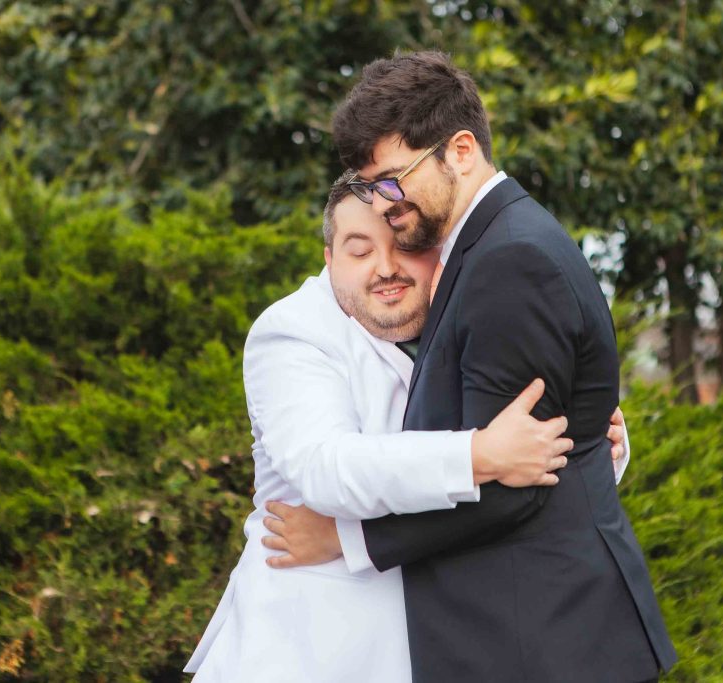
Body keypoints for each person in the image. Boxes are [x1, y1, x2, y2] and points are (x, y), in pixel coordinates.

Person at [263, 52, 677, 682]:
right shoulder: (489, 250)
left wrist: (352, 542)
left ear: (459, 150)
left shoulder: (507, 262)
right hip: (531, 637)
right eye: (372, 187)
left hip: (539, 642)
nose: (384, 203)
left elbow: (515, 486)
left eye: (392, 179)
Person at [183, 175, 631, 682]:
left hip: (430, 645)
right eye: (359, 251)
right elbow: (325, 468)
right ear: (329, 259)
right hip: (305, 649)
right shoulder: (292, 332)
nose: (386, 268)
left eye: (404, 246)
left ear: (437, 252)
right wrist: (479, 455)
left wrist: (595, 439)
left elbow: (538, 451)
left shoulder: (469, 314)